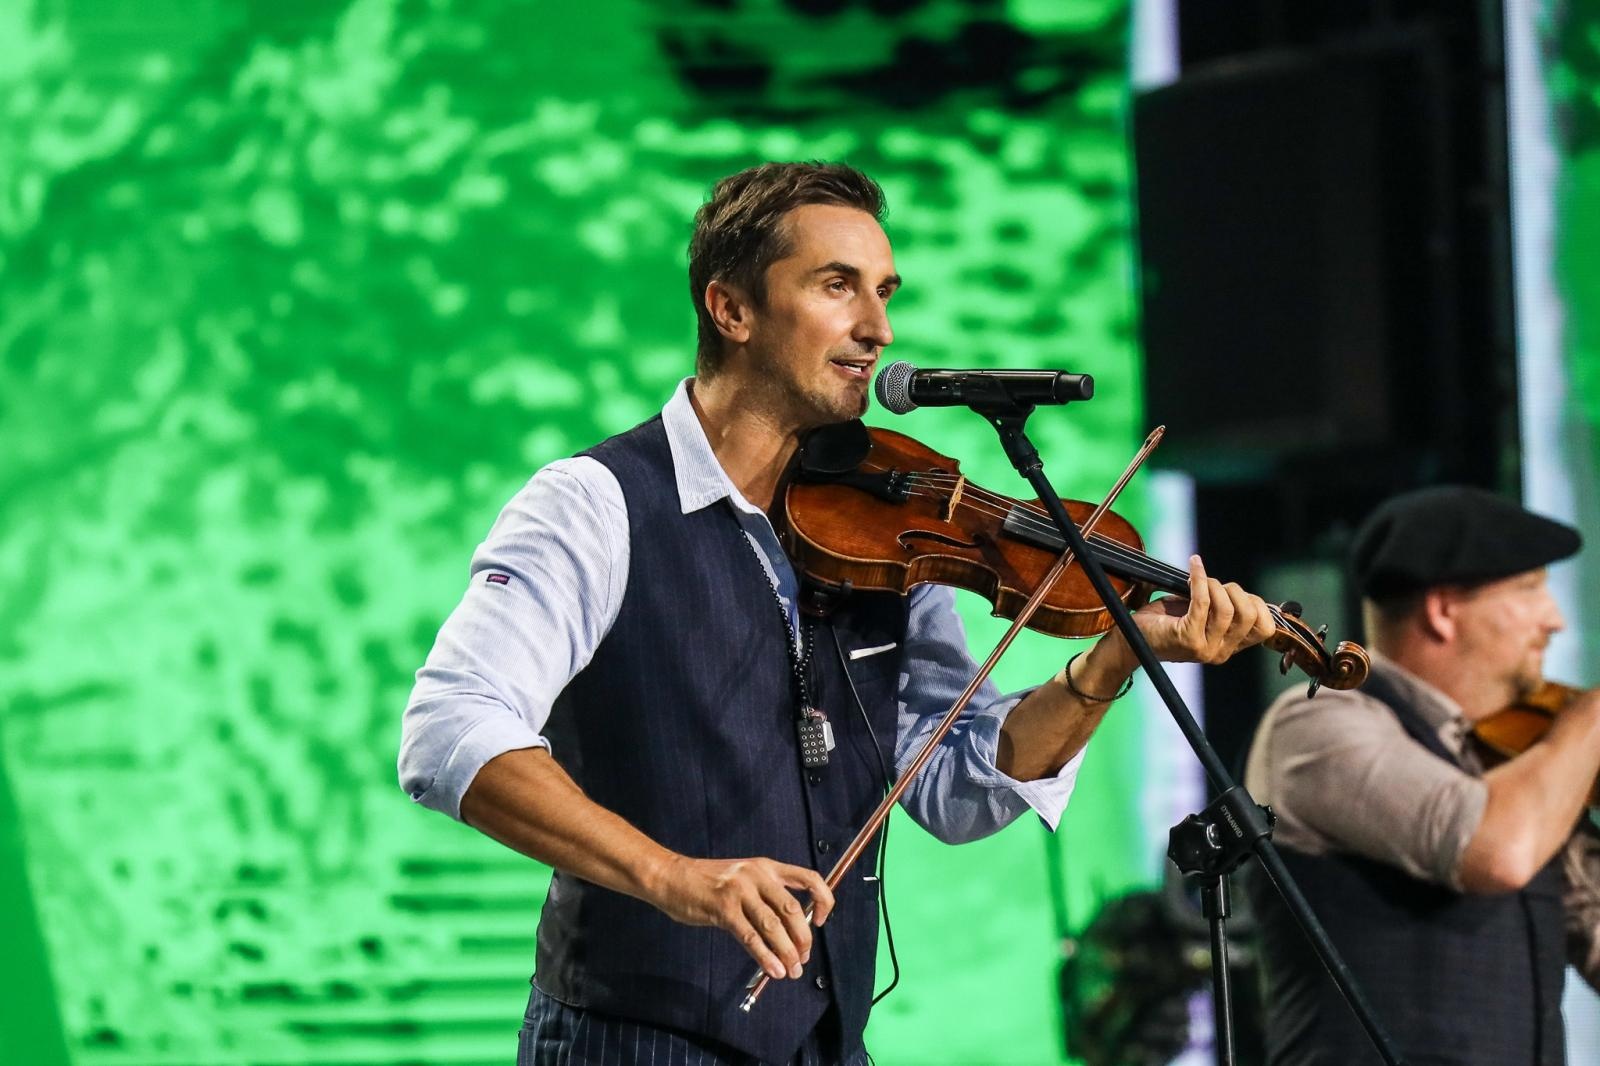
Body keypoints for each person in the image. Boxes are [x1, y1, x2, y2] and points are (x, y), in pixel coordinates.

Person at [399, 161, 1275, 1066]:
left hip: (825, 1045)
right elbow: (447, 731)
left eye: (885, 292)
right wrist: (676, 880)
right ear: (731, 310)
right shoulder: (596, 504)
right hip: (632, 1038)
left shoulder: (900, 524)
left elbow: (955, 786)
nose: (879, 329)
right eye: (837, 287)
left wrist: (1113, 661)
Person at [1244, 486, 1600, 1066]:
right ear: (1443, 610)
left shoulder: (1522, 758)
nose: (1554, 620)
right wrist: (1591, 720)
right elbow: (1496, 850)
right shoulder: (1316, 728)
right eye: (1531, 590)